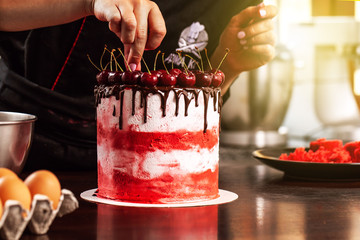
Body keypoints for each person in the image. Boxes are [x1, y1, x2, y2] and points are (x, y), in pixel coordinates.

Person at [0, 0, 277, 171]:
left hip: (153, 170)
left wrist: (228, 67)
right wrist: (89, 1)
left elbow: (191, 102)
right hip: (21, 144)